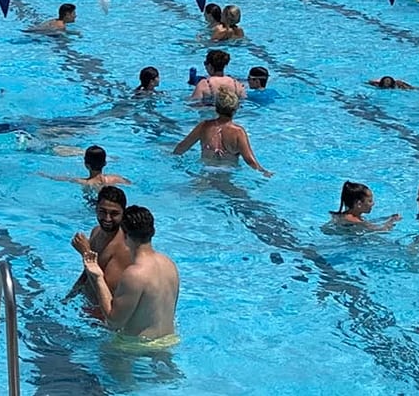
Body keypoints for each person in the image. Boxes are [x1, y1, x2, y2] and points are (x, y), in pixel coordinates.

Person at [76, 200, 181, 364]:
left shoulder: (134, 273)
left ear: (124, 234)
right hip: (168, 341)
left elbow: (113, 322)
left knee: (115, 388)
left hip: (134, 347)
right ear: (152, 232)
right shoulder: (169, 263)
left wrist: (97, 276)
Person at [172, 92, 273, 176]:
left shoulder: (204, 126)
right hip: (227, 172)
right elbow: (249, 160)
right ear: (236, 109)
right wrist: (263, 171)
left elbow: (182, 147)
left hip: (206, 170)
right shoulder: (238, 132)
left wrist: (172, 156)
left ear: (216, 108)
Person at [44, 145, 130, 188]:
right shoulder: (116, 178)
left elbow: (63, 178)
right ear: (105, 163)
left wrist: (46, 175)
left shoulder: (85, 183)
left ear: (86, 165)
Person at [329, 181, 400, 232]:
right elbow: (383, 230)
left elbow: (369, 222)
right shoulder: (355, 221)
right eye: (370, 201)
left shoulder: (345, 215)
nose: (373, 204)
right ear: (359, 204)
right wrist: (392, 221)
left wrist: (387, 218)